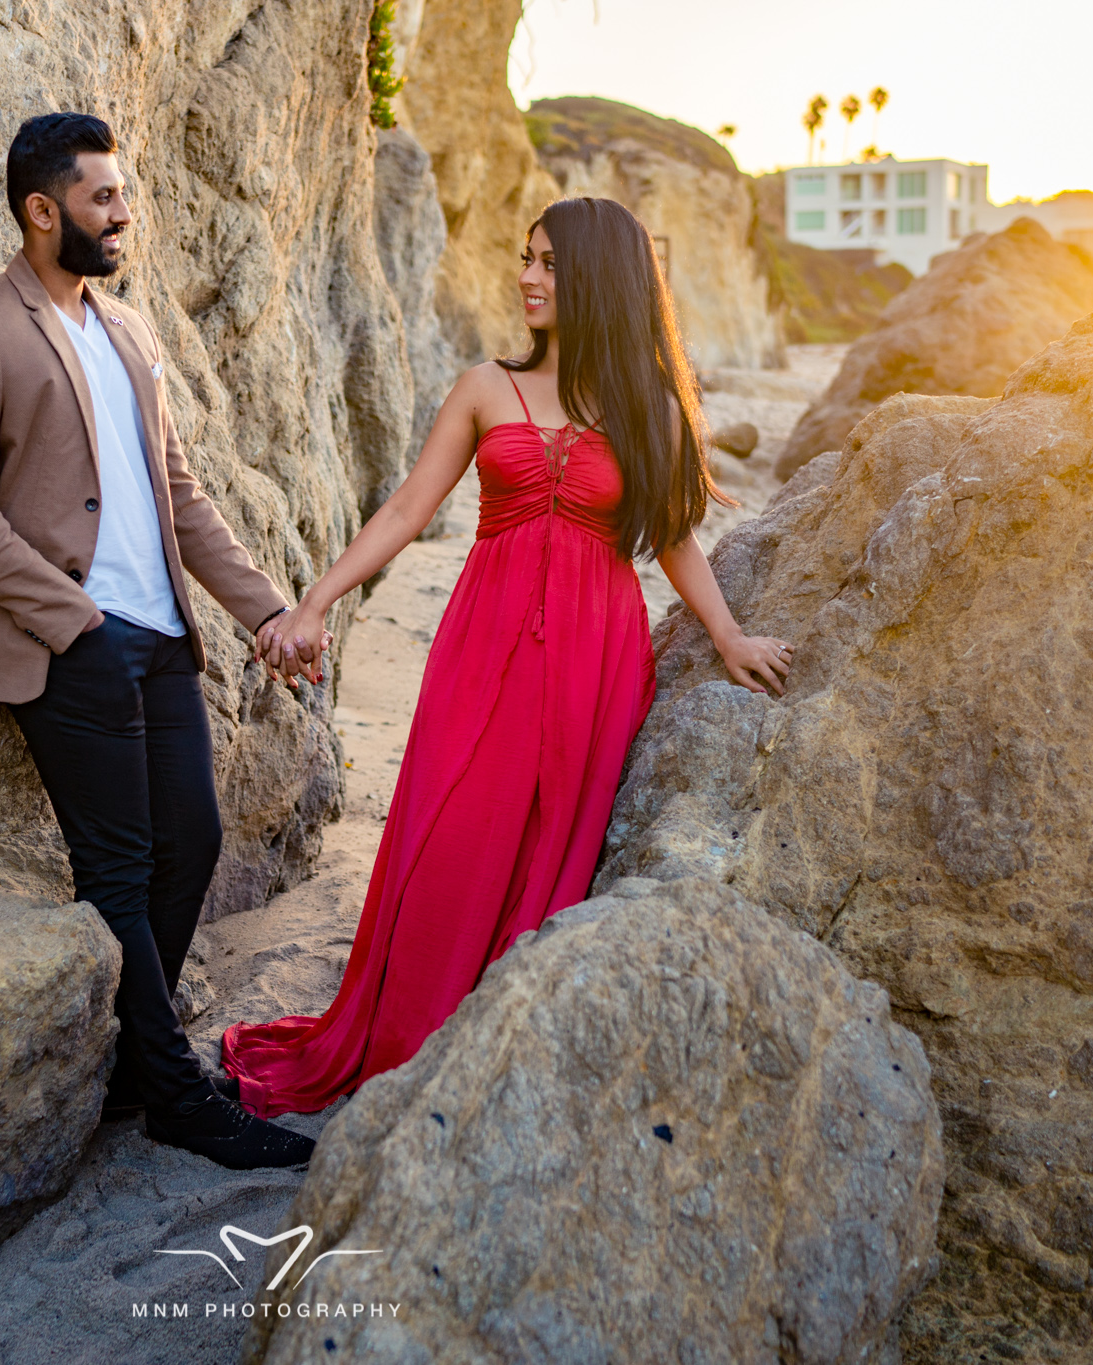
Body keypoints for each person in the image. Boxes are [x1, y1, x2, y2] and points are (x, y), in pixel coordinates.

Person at [222, 197, 794, 1116]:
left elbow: (677, 535)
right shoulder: (486, 386)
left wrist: (728, 636)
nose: (527, 277)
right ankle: (405, 1034)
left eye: (550, 264)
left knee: (544, 851)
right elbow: (409, 510)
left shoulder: (650, 405)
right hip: (482, 643)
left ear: (600, 280)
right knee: (448, 830)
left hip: (594, 660)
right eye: (524, 258)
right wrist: (316, 600)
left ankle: (494, 1043)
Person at [0, 112, 314, 1169]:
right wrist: (72, 620)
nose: (123, 212)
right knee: (119, 866)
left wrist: (262, 611)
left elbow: (177, 491)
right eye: (101, 198)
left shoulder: (128, 330)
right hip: (69, 644)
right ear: (42, 211)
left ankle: (136, 1074)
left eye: (122, 193)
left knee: (191, 843)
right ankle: (176, 1093)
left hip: (163, 634)